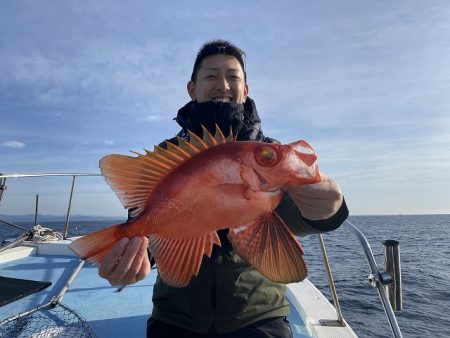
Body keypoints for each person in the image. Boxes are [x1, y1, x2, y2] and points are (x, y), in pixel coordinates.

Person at [98, 40, 349, 338]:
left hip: (257, 314)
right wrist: (136, 254)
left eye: (233, 77)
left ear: (246, 89)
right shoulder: (167, 155)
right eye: (211, 76)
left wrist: (328, 212)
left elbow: (293, 218)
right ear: (192, 89)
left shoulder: (268, 152)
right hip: (176, 315)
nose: (223, 84)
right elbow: (148, 222)